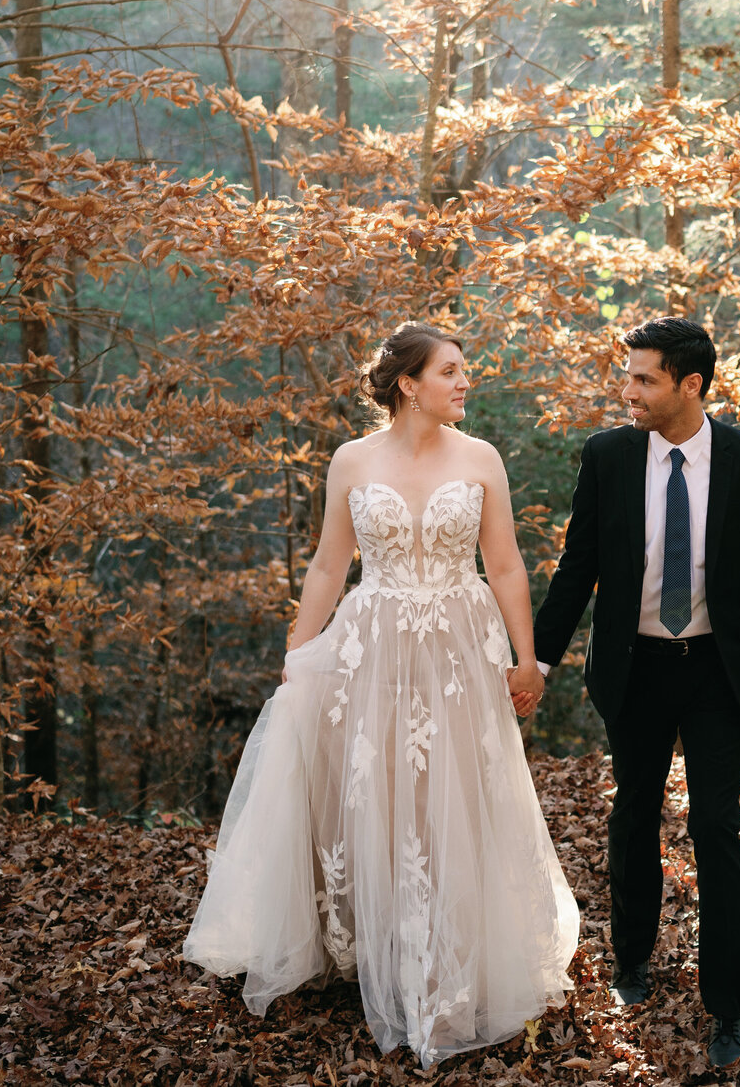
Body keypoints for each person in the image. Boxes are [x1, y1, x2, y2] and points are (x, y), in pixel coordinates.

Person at [184, 322, 579, 1067]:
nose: (466, 383)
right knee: (385, 796)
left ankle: (448, 963)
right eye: (452, 371)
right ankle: (385, 950)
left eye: (465, 371)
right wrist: (301, 650)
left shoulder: (481, 457)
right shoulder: (352, 460)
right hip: (375, 642)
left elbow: (507, 567)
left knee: (457, 793)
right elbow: (331, 566)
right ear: (409, 383)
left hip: (461, 647)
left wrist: (529, 658)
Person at [533, 316, 740, 1070]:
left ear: (691, 384)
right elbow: (575, 567)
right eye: (629, 375)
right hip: (636, 666)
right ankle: (631, 962)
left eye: (645, 378)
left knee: (719, 828)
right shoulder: (608, 456)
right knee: (633, 813)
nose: (630, 391)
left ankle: (729, 1008)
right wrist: (539, 664)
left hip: (718, 673)